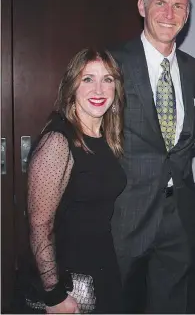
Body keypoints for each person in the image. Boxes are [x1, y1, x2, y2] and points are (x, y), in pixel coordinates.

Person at [109, 0, 195, 313]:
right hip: (124, 213)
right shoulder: (113, 64)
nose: (169, 13)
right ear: (142, 6)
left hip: (179, 215)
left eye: (179, 5)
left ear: (187, 13)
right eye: (161, 3)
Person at [25, 48, 126, 313]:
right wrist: (54, 295)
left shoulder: (106, 137)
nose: (99, 89)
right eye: (88, 79)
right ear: (72, 86)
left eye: (107, 79)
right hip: (71, 282)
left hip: (103, 268)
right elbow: (39, 225)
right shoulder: (58, 141)